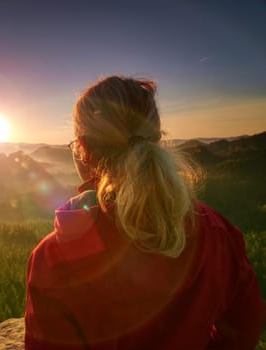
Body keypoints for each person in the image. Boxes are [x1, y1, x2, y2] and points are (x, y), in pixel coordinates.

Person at [24, 76, 265, 349]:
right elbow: (245, 326)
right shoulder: (217, 231)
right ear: (156, 138)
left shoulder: (53, 259)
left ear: (84, 150)